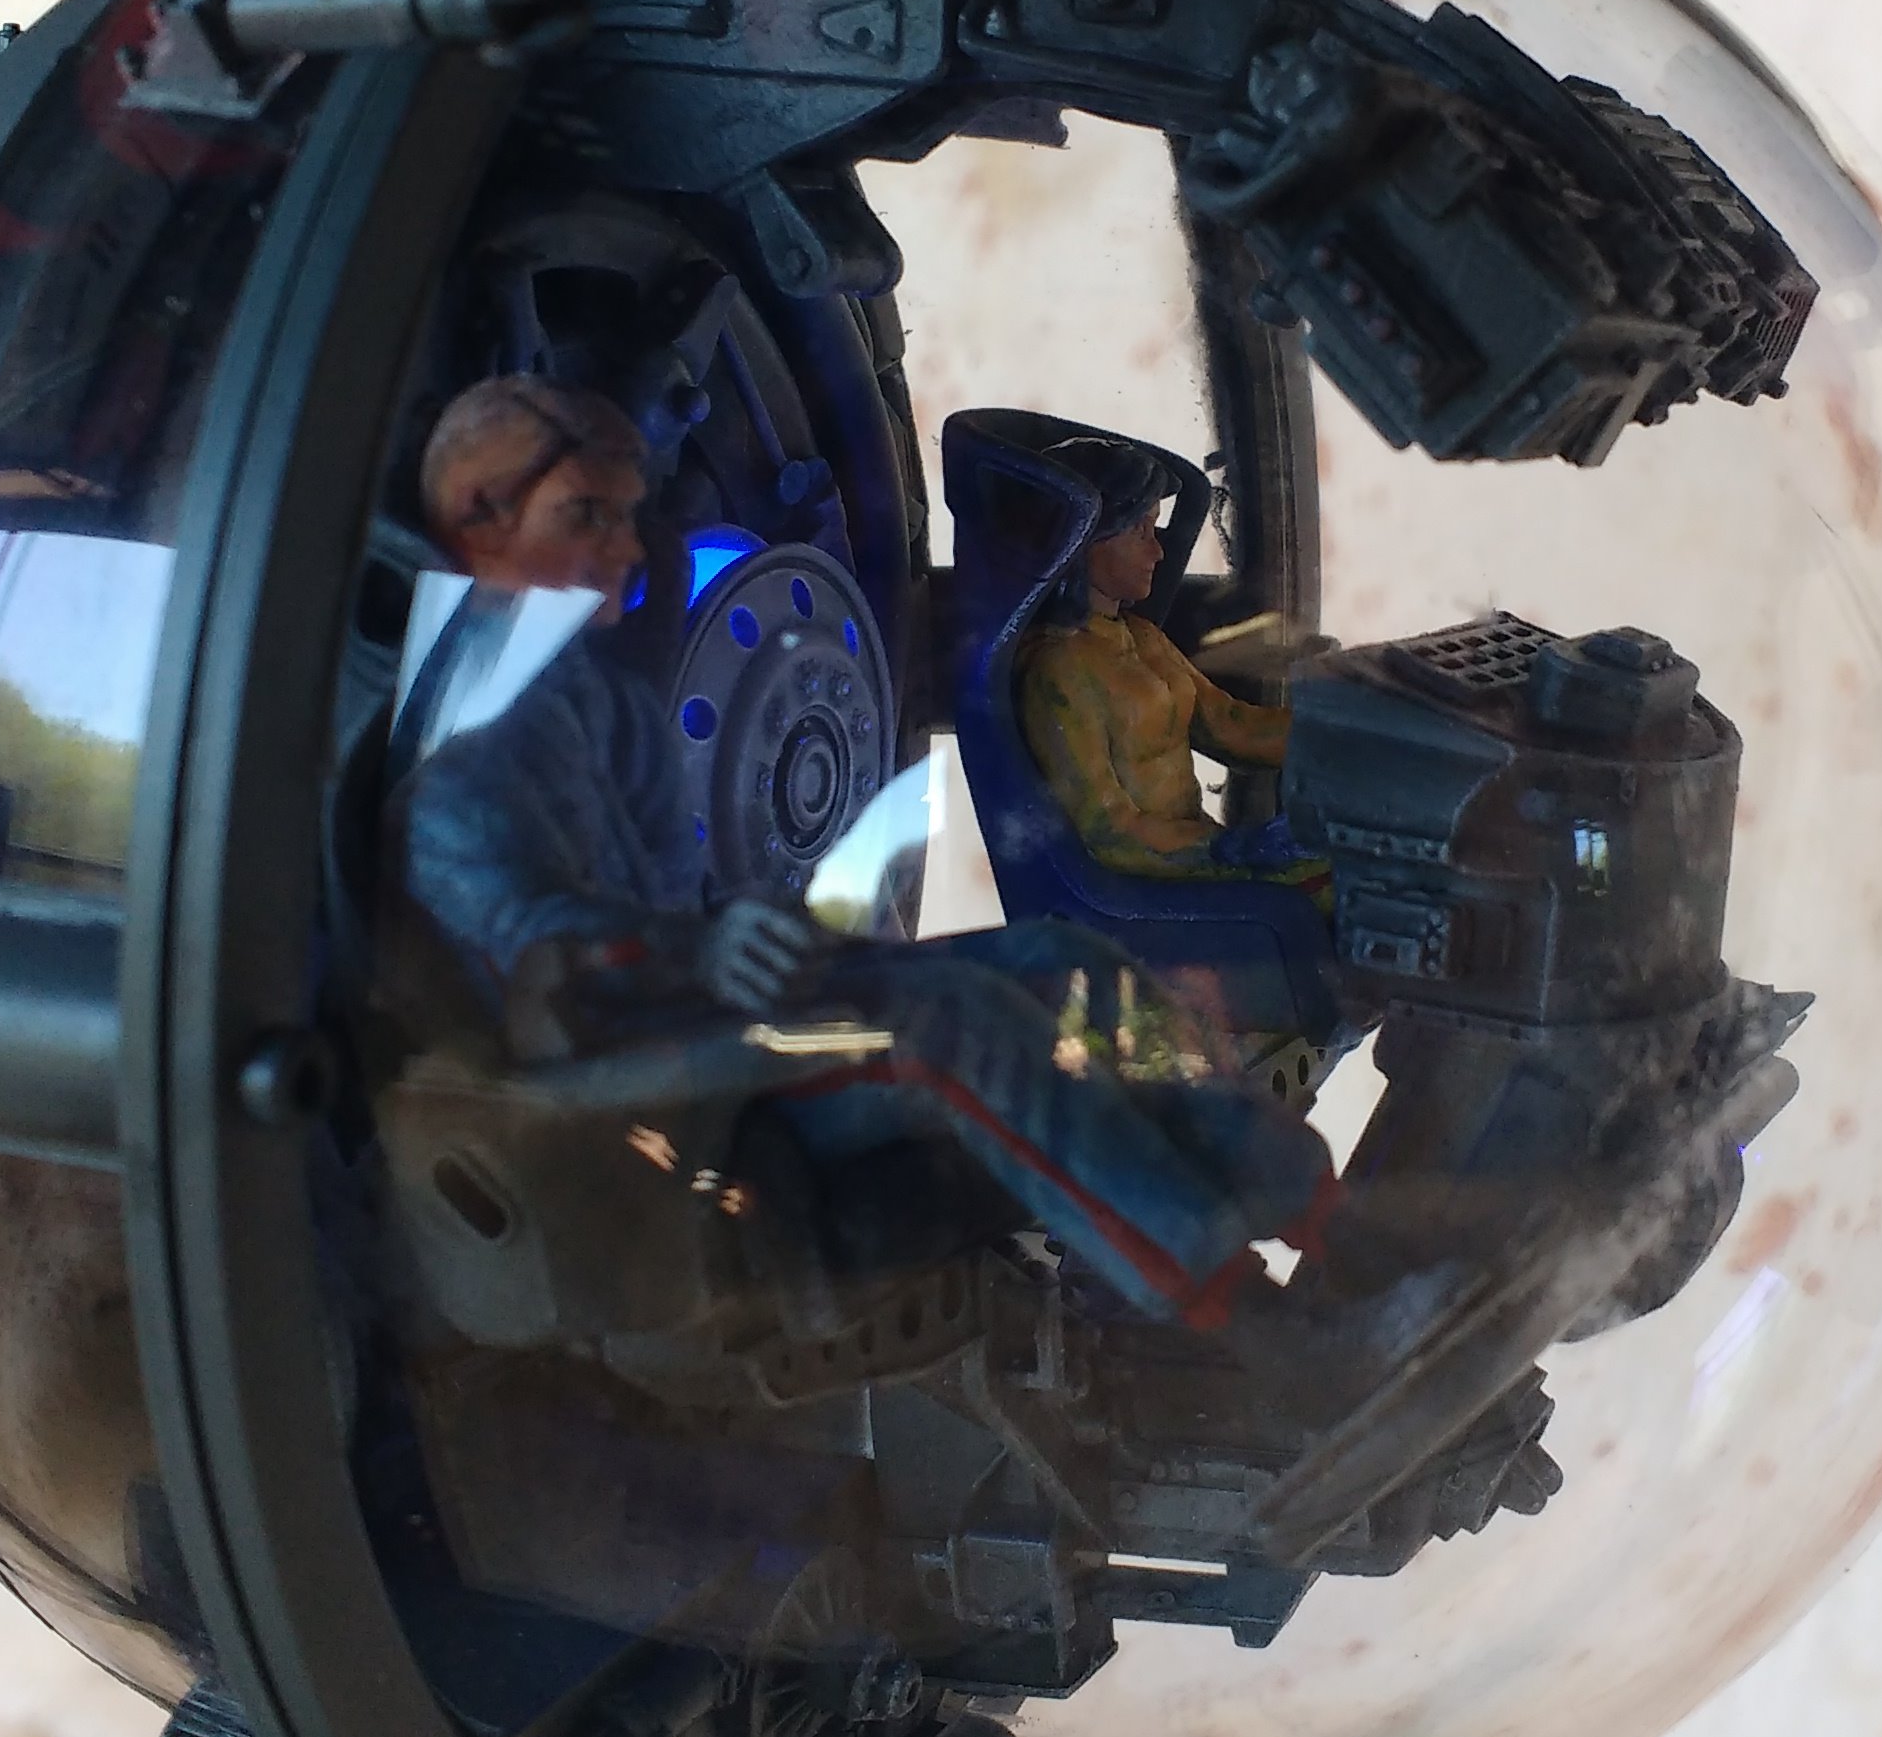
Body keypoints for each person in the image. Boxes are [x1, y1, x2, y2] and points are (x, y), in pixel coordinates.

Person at [392, 376, 1324, 1322]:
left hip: (696, 1004)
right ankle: (1230, 1299)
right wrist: (701, 950)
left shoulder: (606, 708)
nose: (631, 550)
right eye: (590, 517)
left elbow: (676, 892)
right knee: (953, 1023)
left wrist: (759, 934)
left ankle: (1309, 1200)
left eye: (630, 520)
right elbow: (537, 958)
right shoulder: (455, 779)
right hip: (604, 1077)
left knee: (1068, 961)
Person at [1014, 438, 1316, 885]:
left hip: (1205, 858)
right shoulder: (1057, 670)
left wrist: (1346, 733)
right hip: (1147, 888)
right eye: (1140, 532)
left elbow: (1232, 726)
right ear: (1082, 538)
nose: (1157, 552)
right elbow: (1109, 834)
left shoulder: (1141, 637)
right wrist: (1234, 850)